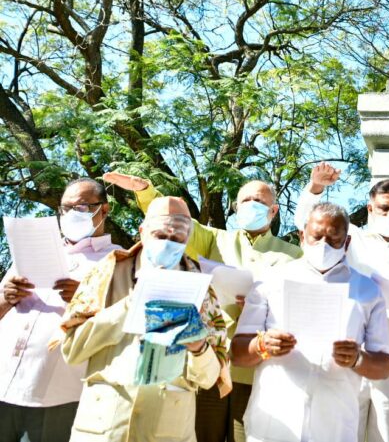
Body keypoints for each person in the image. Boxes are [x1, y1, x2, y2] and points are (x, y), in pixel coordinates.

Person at [103, 171, 300, 442]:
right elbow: (174, 220)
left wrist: (262, 310)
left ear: (274, 210)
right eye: (245, 200)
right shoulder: (214, 240)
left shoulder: (293, 254)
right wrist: (146, 190)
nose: (250, 204)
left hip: (259, 371)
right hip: (209, 361)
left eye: (258, 200)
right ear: (235, 207)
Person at [57, 195, 230, 442]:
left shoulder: (203, 291)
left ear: (187, 239)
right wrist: (128, 306)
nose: (168, 244)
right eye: (160, 236)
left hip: (168, 429)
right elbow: (71, 350)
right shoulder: (106, 273)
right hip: (103, 427)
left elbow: (209, 378)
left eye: (177, 238)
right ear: (142, 231)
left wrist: (198, 347)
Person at [298, 166, 389, 442]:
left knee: (388, 436)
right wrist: (315, 187)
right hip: (346, 359)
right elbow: (307, 222)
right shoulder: (349, 241)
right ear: (370, 207)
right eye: (383, 208)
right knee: (341, 432)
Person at [231, 202, 389, 442]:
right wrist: (262, 345)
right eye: (316, 237)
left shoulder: (367, 290)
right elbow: (237, 353)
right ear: (302, 235)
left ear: (347, 243)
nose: (323, 245)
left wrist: (357, 358)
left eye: (334, 239)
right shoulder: (271, 281)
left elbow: (384, 365)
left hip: (334, 424)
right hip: (275, 422)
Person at [0, 177, 123, 442]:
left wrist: (88, 300)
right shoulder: (30, 251)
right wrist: (6, 298)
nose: (69, 215)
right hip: (4, 383)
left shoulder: (119, 260)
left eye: (80, 207)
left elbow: (125, 324)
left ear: (104, 209)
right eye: (64, 209)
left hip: (59, 396)